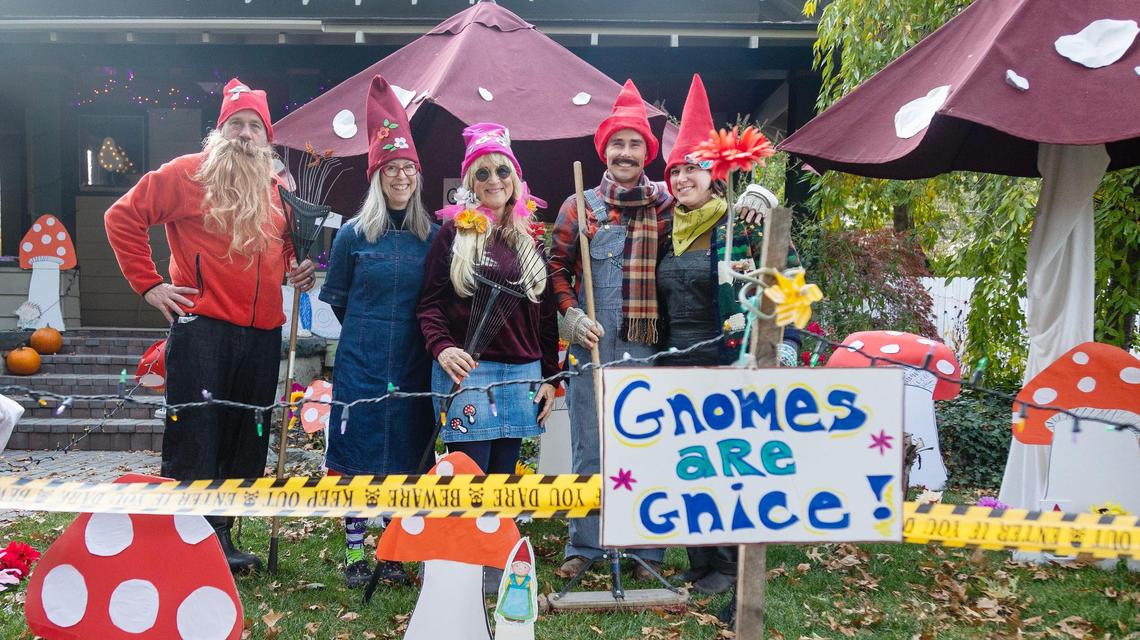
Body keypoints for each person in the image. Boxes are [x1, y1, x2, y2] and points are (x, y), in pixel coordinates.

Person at [104, 78, 315, 573]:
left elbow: (283, 254)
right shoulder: (187, 174)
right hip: (204, 330)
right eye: (236, 124)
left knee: (246, 436)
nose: (245, 134)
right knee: (196, 435)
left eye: (254, 127)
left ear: (267, 138)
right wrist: (149, 284)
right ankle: (184, 539)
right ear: (219, 131)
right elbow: (122, 217)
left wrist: (297, 268)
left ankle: (221, 537)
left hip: (263, 334)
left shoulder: (277, 191)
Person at [656, 74, 802, 594]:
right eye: (675, 171)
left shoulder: (741, 225)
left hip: (726, 357)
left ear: (714, 175)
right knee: (687, 464)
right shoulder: (663, 230)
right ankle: (699, 562)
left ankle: (729, 565)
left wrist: (785, 343)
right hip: (673, 360)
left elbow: (787, 277)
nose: (682, 180)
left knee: (726, 460)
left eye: (692, 169)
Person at [548, 80, 672, 580]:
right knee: (590, 446)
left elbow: (715, 208)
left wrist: (756, 193)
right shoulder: (578, 206)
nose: (625, 152)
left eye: (634, 143)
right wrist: (570, 315)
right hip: (591, 345)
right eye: (617, 143)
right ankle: (586, 545)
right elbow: (554, 268)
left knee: (644, 445)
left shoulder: (666, 206)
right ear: (604, 150)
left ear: (648, 152)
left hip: (647, 346)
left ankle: (646, 550)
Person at [318, 76, 437, 588]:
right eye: (392, 169)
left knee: (404, 454)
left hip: (413, 361)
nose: (401, 177)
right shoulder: (350, 236)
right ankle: (354, 554)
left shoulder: (430, 238)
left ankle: (392, 551)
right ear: (377, 175)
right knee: (359, 454)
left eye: (408, 168)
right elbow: (339, 300)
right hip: (361, 364)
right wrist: (366, 337)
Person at [416, 122, 559, 475]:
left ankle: (503, 534)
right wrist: (443, 347)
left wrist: (553, 380)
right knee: (468, 481)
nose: (494, 179)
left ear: (515, 179)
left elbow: (544, 319)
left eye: (502, 170)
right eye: (483, 173)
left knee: (502, 483)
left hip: (521, 373)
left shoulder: (531, 242)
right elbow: (430, 304)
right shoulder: (453, 235)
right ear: (471, 184)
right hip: (468, 374)